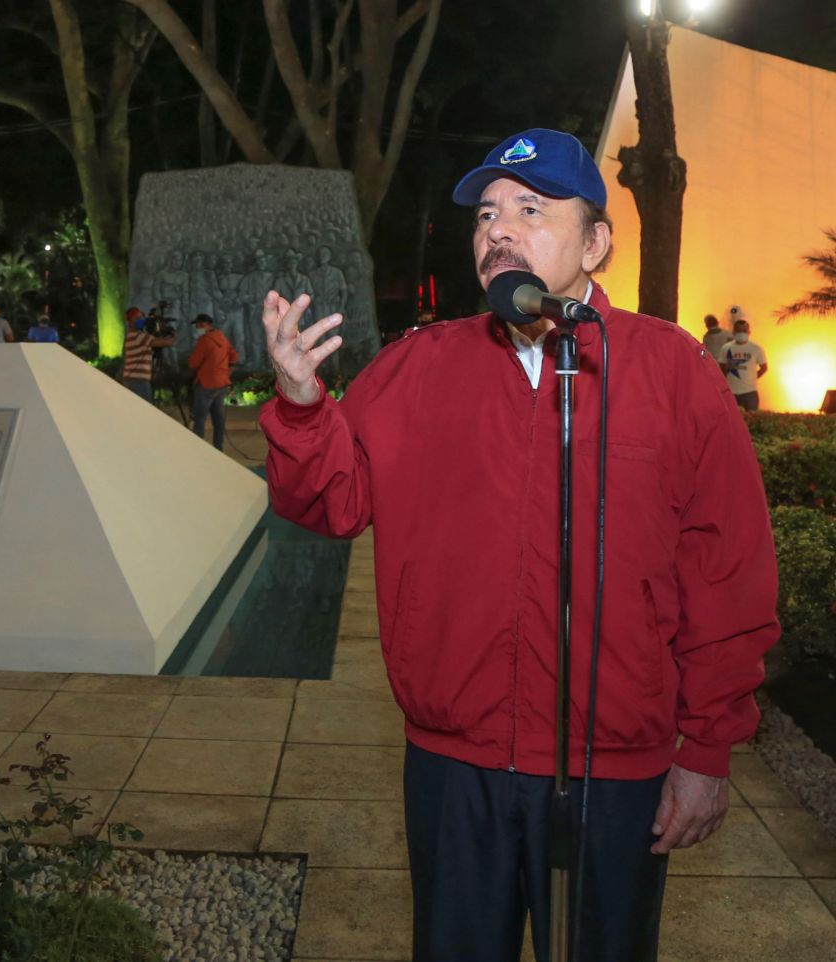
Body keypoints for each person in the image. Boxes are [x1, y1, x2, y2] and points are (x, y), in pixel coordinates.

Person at [259, 128, 779, 962]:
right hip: (454, 764)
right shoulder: (420, 366)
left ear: (597, 241)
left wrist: (708, 744)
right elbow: (329, 500)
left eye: (531, 210)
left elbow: (728, 571)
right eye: (487, 215)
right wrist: (300, 405)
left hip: (615, 769)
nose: (497, 230)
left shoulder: (674, 373)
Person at [187, 313, 239, 450]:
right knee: (219, 419)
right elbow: (234, 354)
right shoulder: (221, 337)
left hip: (207, 384)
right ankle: (218, 448)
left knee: (200, 419)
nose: (197, 328)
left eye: (198, 325)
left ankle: (197, 449)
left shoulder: (204, 341)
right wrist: (229, 369)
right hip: (222, 384)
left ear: (205, 325)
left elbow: (193, 363)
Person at [122, 306, 175, 402]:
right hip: (138, 380)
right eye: (137, 318)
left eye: (141, 318)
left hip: (131, 378)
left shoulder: (131, 335)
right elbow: (167, 343)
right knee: (146, 410)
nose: (141, 320)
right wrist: (173, 334)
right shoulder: (139, 336)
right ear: (130, 321)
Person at [718, 318, 769, 411]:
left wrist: (753, 377)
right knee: (731, 420)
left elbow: (764, 368)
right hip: (731, 392)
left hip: (750, 392)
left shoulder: (756, 348)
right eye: (738, 330)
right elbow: (721, 365)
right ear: (733, 332)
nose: (741, 333)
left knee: (752, 419)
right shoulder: (726, 348)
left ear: (749, 332)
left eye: (744, 330)